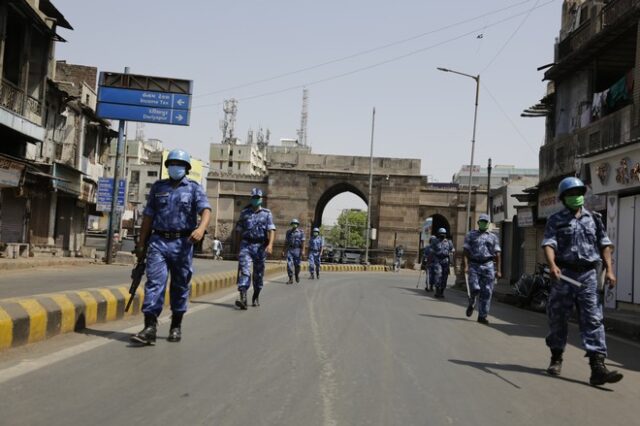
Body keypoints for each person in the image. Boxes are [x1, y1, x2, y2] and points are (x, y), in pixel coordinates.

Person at [541, 176, 623, 386]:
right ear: (563, 198)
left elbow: (605, 245)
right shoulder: (555, 220)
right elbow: (549, 244)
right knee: (558, 318)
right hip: (564, 274)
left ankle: (598, 368)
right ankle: (556, 357)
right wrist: (552, 265)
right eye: (570, 194)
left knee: (593, 319)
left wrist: (610, 271)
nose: (575, 197)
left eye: (578, 193)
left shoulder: (594, 219)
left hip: (587, 275)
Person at [131, 149, 211, 345]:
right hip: (158, 242)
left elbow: (206, 210)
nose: (176, 167)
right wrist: (141, 243)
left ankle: (176, 325)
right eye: (173, 163)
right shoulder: (158, 187)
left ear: (186, 168)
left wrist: (201, 229)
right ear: (168, 167)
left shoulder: (193, 188)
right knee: (155, 283)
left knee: (180, 285)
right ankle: (150, 326)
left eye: (180, 164)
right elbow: (148, 216)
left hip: (183, 243)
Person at [235, 188, 275, 309]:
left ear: (261, 199)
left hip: (260, 247)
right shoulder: (244, 213)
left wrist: (270, 245)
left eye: (257, 197)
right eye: (253, 197)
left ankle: (256, 295)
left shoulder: (267, 213)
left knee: (258, 275)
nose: (255, 199)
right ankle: (243, 297)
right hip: (246, 245)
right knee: (245, 271)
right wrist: (238, 247)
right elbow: (238, 230)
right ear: (251, 198)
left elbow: (271, 230)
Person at [463, 213, 501, 324]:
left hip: (488, 265)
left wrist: (498, 270)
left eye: (485, 222)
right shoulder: (470, 235)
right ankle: (472, 301)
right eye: (481, 222)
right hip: (474, 265)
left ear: (488, 223)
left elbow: (497, 254)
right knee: (475, 288)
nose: (483, 224)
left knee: (487, 292)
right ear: (478, 223)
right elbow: (465, 252)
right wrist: (465, 265)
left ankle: (482, 316)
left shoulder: (493, 237)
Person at [426, 228, 455, 298]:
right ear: (438, 234)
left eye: (443, 234)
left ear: (445, 234)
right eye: (441, 234)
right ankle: (437, 291)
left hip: (446, 261)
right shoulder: (435, 242)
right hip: (437, 260)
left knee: (445, 277)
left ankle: (442, 292)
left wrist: (452, 260)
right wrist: (428, 262)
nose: (442, 235)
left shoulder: (449, 242)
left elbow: (452, 250)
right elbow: (431, 252)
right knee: (438, 275)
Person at [283, 218, 305, 284]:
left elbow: (303, 241)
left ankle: (297, 275)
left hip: (297, 250)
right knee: (289, 264)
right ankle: (290, 278)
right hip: (290, 250)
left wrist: (303, 250)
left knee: (297, 265)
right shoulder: (288, 232)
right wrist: (284, 250)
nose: (294, 225)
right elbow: (286, 242)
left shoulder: (301, 232)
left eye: (295, 224)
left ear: (297, 225)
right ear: (291, 224)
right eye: (293, 223)